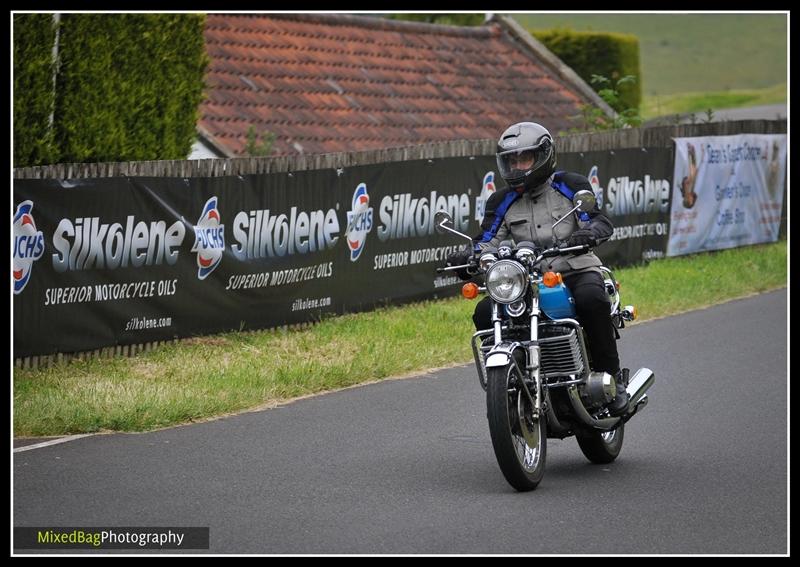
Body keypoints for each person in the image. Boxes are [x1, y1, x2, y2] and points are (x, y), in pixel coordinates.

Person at [447, 121, 629, 416]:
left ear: (544, 156)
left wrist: (587, 233)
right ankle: (513, 380)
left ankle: (613, 378)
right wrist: (467, 257)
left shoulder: (569, 184)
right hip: (526, 279)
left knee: (592, 300)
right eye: (511, 161)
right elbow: (488, 240)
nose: (517, 167)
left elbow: (597, 220)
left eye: (524, 158)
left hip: (574, 269)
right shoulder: (502, 200)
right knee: (484, 312)